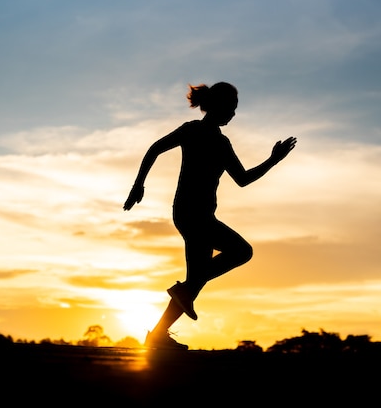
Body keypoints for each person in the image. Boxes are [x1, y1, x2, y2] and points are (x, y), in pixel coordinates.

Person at [123, 82, 296, 350]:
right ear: (219, 106)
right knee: (240, 252)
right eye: (232, 108)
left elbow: (241, 179)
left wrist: (274, 160)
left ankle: (158, 334)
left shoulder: (220, 142)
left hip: (193, 214)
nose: (234, 115)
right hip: (194, 215)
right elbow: (155, 148)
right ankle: (179, 298)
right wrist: (138, 184)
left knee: (196, 281)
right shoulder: (194, 131)